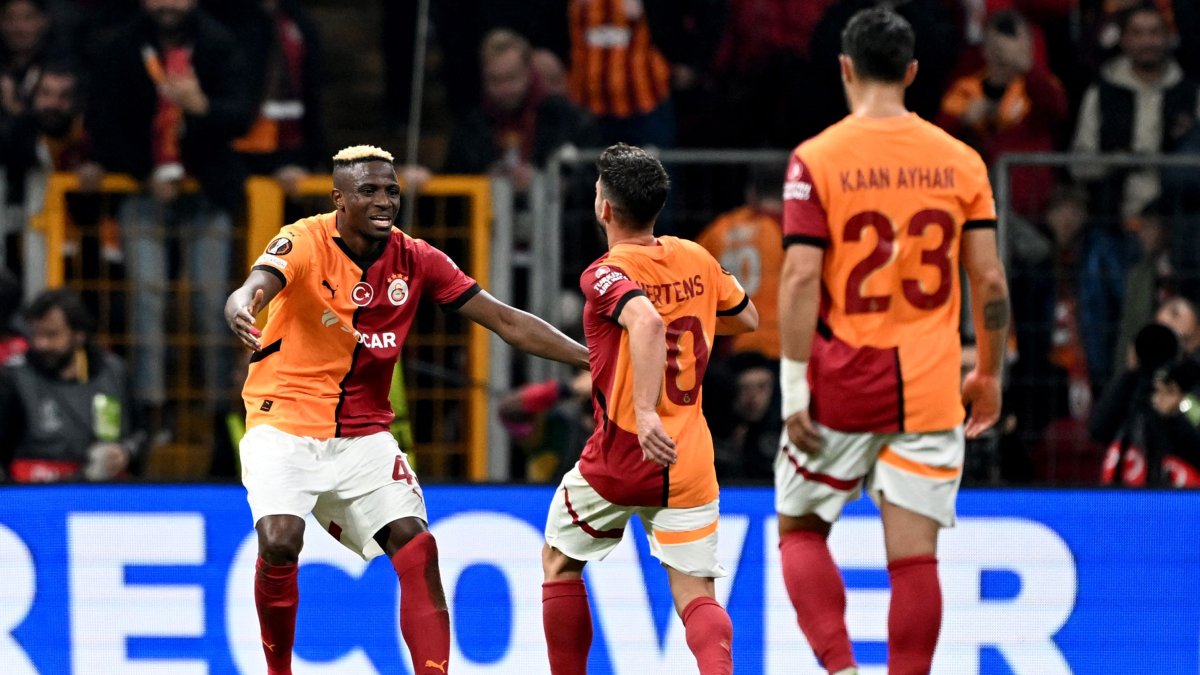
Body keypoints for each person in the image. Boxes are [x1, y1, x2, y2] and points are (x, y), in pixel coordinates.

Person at [224, 145, 589, 675]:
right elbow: (255, 285)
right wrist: (241, 306)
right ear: (339, 199)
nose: (384, 200)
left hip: (363, 434)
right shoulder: (304, 239)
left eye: (391, 190)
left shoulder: (417, 258)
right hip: (284, 420)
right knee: (280, 540)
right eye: (368, 191)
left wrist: (592, 357)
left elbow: (506, 320)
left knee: (416, 544)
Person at [775, 8, 1010, 675]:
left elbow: (798, 277)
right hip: (932, 385)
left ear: (845, 68)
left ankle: (843, 668)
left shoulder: (816, 159)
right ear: (911, 72)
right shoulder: (961, 160)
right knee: (913, 559)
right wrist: (988, 371)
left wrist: (795, 386)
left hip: (843, 380)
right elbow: (989, 279)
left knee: (800, 527)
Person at [540, 143, 758, 675]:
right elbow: (746, 317)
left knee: (560, 563)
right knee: (696, 593)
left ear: (604, 208)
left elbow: (648, 323)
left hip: (626, 451)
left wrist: (645, 412)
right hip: (689, 460)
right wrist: (695, 309)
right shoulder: (695, 257)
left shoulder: (605, 273)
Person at [85, 0, 256, 433]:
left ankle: (223, 415)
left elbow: (241, 115)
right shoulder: (119, 47)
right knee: (146, 297)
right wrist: (144, 173)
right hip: (143, 193)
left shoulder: (219, 43)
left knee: (215, 302)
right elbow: (102, 125)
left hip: (207, 194)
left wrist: (200, 106)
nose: (167, 5)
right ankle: (149, 412)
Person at [1071, 3, 1199, 221]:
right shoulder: (1100, 93)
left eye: (1154, 33)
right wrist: (1119, 160)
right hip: (1112, 216)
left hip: (1179, 220)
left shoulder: (1191, 93)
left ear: (1168, 37)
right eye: (1137, 33)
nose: (1147, 42)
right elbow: (1079, 164)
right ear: (1124, 40)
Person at [936, 9, 1069, 219]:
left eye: (1013, 40)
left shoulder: (1039, 86)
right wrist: (962, 121)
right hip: (974, 203)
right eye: (997, 41)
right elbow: (938, 140)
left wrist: (1025, 66)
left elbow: (1057, 110)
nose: (1003, 50)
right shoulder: (964, 90)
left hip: (1031, 206)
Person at [0, 289, 139, 482]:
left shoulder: (114, 372)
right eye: (36, 334)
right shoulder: (14, 377)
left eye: (52, 335)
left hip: (105, 491)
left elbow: (140, 432)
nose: (41, 344)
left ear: (78, 336)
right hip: (35, 494)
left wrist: (126, 453)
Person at [696, 164, 786, 360]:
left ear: (752, 192)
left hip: (733, 346)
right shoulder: (790, 228)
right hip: (779, 345)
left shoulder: (722, 227)